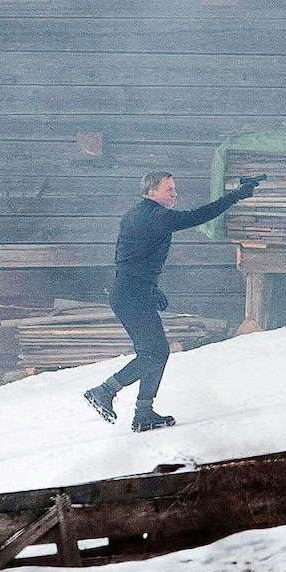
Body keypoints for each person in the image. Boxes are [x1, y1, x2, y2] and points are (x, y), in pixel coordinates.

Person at [84, 171, 258, 432]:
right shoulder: (156, 216)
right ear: (151, 192)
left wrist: (150, 289)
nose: (175, 194)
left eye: (174, 189)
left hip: (131, 291)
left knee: (155, 352)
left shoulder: (136, 214)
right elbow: (197, 216)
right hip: (132, 294)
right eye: (169, 190)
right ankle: (105, 391)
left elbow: (129, 256)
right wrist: (234, 196)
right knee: (154, 353)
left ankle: (144, 413)